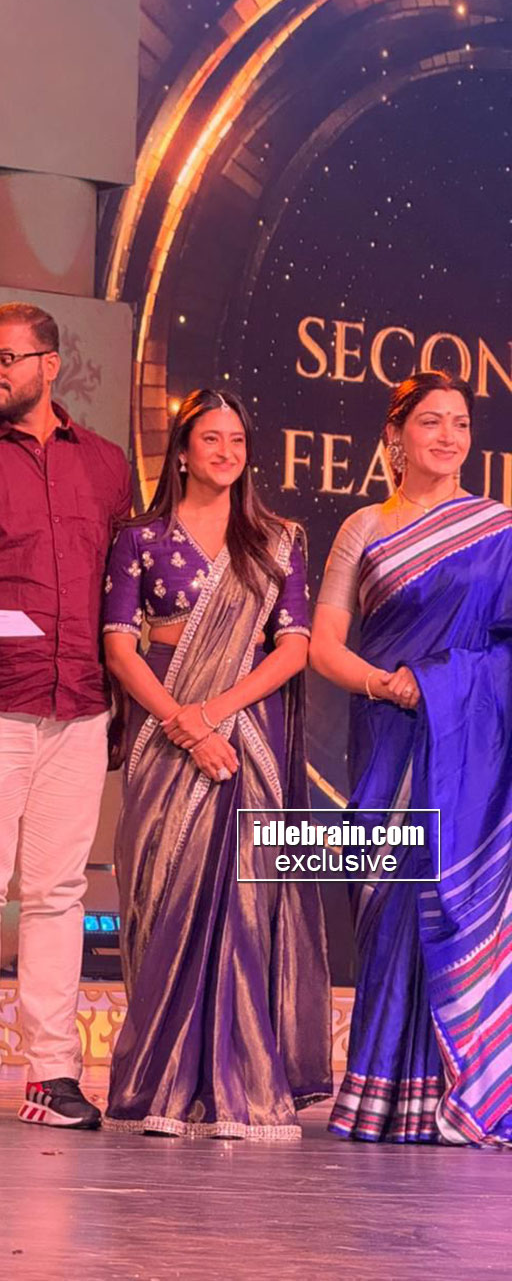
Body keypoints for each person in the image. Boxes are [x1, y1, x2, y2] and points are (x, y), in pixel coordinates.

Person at [0, 302, 132, 1130]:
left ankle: (53, 1073)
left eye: (8, 358)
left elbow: (122, 578)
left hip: (77, 699)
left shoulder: (106, 464)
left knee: (57, 891)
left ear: (51, 363)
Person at [102, 388, 331, 1140]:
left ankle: (241, 1086)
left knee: (243, 903)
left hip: (245, 738)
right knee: (164, 896)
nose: (227, 451)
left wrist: (214, 712)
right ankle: (161, 1087)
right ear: (182, 451)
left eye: (237, 439)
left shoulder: (278, 538)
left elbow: (292, 648)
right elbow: (119, 647)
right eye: (211, 438)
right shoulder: (140, 538)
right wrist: (181, 720)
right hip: (163, 731)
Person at [311, 371, 512, 1146]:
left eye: (460, 422)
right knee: (387, 902)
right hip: (388, 735)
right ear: (395, 437)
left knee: (459, 900)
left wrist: (439, 682)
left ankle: (466, 1091)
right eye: (432, 421)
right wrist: (387, 685)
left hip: (471, 749)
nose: (449, 436)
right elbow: (324, 645)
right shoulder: (364, 527)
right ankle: (383, 1091)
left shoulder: (499, 528)